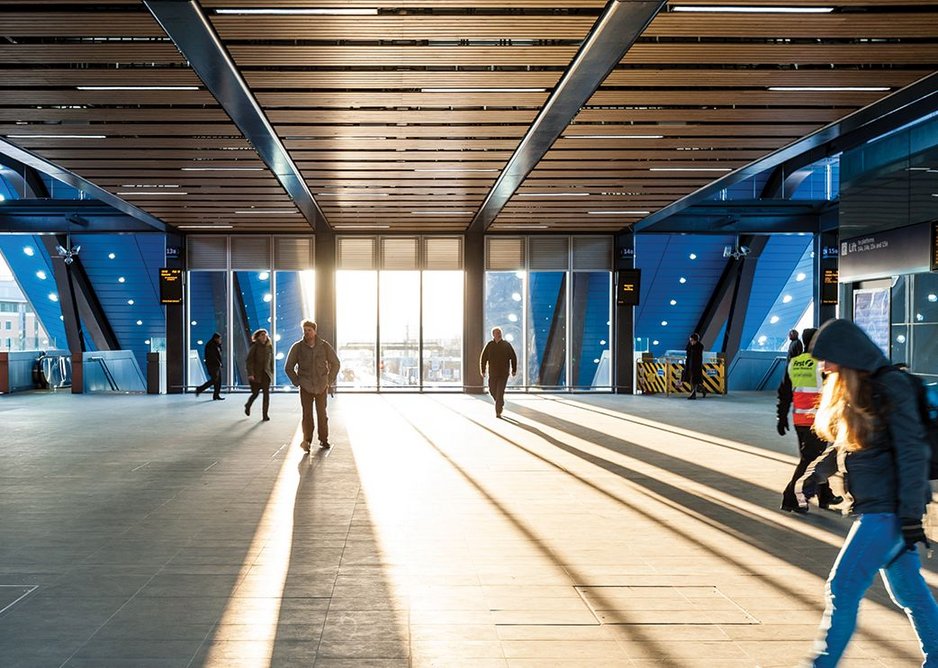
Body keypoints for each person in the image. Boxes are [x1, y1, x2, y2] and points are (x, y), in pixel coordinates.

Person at [796, 318, 937, 667]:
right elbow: (847, 445)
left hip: (887, 512)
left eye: (828, 358)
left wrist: (908, 517)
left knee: (842, 588)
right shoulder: (860, 390)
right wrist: (812, 475)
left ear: (847, 354)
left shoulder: (891, 388)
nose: (823, 366)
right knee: (909, 592)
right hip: (879, 509)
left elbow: (912, 453)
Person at [776, 327, 841, 514]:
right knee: (810, 461)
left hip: (799, 420)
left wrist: (781, 417)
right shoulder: (822, 365)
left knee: (813, 458)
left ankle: (825, 495)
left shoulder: (795, 362)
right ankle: (790, 498)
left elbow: (785, 392)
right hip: (817, 421)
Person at [284, 320, 340, 452]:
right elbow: (288, 367)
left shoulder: (324, 346)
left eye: (309, 330)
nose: (307, 333)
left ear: (315, 331)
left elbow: (336, 363)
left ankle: (324, 440)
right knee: (307, 415)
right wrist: (297, 382)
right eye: (305, 330)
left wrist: (329, 380)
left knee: (322, 414)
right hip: (305, 386)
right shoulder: (297, 347)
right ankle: (307, 440)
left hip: (321, 386)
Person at [480, 327, 517, 418]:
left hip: (503, 373)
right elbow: (483, 358)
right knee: (492, 390)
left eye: (500, 332)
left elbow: (513, 357)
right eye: (497, 333)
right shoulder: (490, 345)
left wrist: (514, 369)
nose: (499, 334)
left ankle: (498, 411)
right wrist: (483, 370)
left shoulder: (506, 345)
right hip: (492, 373)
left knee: (500, 391)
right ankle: (500, 402)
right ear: (493, 334)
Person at [244, 328, 274, 421]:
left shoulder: (269, 347)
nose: (264, 336)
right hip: (256, 374)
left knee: (266, 394)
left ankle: (265, 415)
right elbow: (249, 361)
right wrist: (250, 374)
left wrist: (271, 372)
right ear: (258, 337)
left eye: (265, 334)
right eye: (262, 335)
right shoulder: (254, 347)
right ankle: (248, 405)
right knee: (255, 393)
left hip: (266, 374)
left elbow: (271, 360)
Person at [194, 332, 224, 400]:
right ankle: (200, 389)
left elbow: (219, 353)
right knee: (214, 380)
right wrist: (218, 363)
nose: (220, 340)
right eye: (219, 339)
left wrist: (219, 345)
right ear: (215, 338)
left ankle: (216, 395)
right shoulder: (210, 345)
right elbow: (212, 356)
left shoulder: (216, 345)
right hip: (212, 365)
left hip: (216, 365)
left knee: (218, 381)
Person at [684, 332, 706, 400]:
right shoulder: (689, 346)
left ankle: (693, 394)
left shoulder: (700, 346)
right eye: (690, 340)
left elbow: (697, 356)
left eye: (693, 340)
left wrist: (692, 347)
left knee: (694, 380)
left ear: (696, 340)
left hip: (697, 365)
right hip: (689, 364)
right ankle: (701, 389)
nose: (691, 342)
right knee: (689, 379)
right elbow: (688, 355)